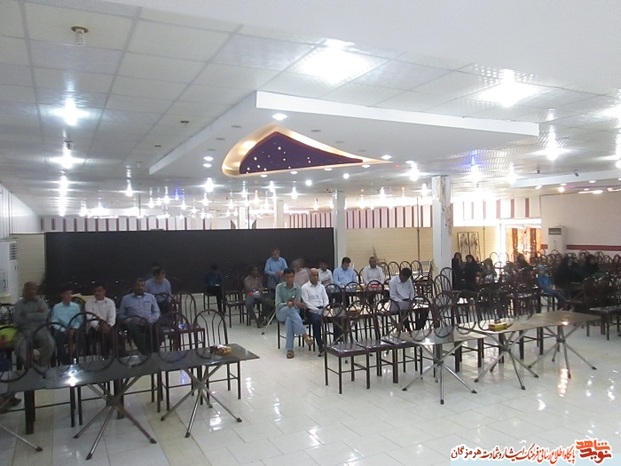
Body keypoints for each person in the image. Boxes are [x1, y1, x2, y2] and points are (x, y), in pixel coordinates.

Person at [13, 282, 55, 368]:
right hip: (24, 330)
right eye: (29, 289)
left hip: (41, 328)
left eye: (34, 289)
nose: (31, 292)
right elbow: (17, 320)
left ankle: (40, 366)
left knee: (50, 344)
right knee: (19, 347)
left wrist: (27, 315)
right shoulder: (19, 304)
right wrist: (36, 313)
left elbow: (44, 316)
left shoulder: (41, 302)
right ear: (24, 290)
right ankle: (32, 368)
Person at [275, 268, 313, 359]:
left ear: (294, 277)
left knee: (289, 320)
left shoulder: (298, 289)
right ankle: (304, 335)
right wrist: (287, 304)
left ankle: (289, 350)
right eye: (287, 277)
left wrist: (295, 304)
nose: (289, 279)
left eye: (291, 277)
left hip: (293, 313)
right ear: (284, 277)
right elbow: (278, 304)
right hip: (281, 312)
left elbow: (297, 305)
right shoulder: (279, 287)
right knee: (290, 309)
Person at [118, 278, 161, 355]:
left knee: (157, 330)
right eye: (138, 285)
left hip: (148, 323)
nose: (140, 287)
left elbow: (157, 312)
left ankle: (155, 353)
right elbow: (121, 315)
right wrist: (130, 320)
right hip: (133, 324)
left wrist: (150, 319)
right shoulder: (126, 299)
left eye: (142, 286)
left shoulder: (151, 297)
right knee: (134, 330)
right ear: (133, 286)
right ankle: (145, 353)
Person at [51, 284, 83, 364]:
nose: (69, 296)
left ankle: (74, 356)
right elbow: (54, 321)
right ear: (62, 295)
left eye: (70, 293)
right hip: (62, 329)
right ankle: (66, 360)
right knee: (59, 340)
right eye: (67, 293)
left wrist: (74, 329)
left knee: (81, 338)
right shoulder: (56, 307)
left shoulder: (76, 306)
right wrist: (63, 330)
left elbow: (79, 320)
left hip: (73, 329)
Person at [301, 268, 329, 357]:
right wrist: (317, 310)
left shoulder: (321, 287)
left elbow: (326, 299)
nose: (316, 277)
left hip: (322, 308)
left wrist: (325, 307)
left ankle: (338, 342)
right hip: (311, 310)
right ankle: (320, 345)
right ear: (309, 276)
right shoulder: (305, 287)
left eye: (317, 275)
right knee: (316, 321)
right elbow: (306, 302)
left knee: (338, 316)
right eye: (314, 275)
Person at [84, 281, 116, 357]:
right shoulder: (88, 303)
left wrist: (108, 325)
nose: (97, 293)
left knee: (112, 333)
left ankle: (109, 355)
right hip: (93, 328)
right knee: (104, 334)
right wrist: (99, 327)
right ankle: (113, 353)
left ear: (104, 291)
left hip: (108, 326)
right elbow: (90, 318)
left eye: (99, 291)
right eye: (95, 291)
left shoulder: (110, 302)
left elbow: (112, 317)